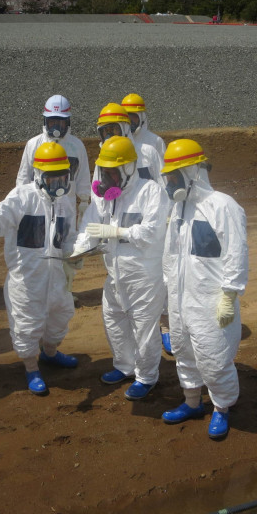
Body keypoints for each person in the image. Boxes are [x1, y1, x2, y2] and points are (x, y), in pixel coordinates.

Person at [0, 142, 78, 395]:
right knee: (26, 328)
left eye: (63, 177)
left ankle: (50, 354)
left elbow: (69, 235)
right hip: (27, 282)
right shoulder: (22, 197)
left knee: (60, 318)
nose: (58, 184)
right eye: (52, 179)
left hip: (56, 280)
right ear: (39, 176)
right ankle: (32, 368)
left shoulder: (65, 202)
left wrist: (73, 256)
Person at [159, 139, 248, 440]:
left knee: (213, 357)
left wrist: (229, 294)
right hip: (182, 300)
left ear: (193, 173)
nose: (170, 183)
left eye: (175, 176)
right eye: (168, 177)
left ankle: (221, 408)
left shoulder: (223, 206)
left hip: (211, 301)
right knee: (184, 353)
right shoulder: (179, 209)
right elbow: (170, 254)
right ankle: (193, 403)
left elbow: (237, 252)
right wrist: (167, 293)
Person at [73, 136, 169, 401]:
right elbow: (90, 227)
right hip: (114, 274)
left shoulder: (151, 192)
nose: (107, 177)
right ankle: (124, 366)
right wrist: (78, 250)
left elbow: (152, 233)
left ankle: (146, 376)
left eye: (112, 171)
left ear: (128, 168)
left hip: (144, 276)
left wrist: (116, 232)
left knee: (144, 328)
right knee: (113, 319)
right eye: (104, 171)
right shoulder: (105, 198)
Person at [120, 93, 172, 355]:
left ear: (142, 117)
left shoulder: (153, 146)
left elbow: (165, 182)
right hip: (128, 224)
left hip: (153, 220)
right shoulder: (115, 148)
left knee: (161, 273)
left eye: (134, 117)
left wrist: (168, 214)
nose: (130, 123)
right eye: (125, 118)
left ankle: (166, 326)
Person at [16, 94, 91, 228]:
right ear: (45, 121)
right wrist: (22, 203)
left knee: (66, 242)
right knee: (40, 242)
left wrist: (84, 201)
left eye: (60, 122)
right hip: (38, 205)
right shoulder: (34, 144)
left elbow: (83, 176)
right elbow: (24, 176)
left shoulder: (76, 146)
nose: (56, 127)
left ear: (68, 122)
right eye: (52, 122)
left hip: (67, 206)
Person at [96, 103, 162, 183]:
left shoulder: (148, 152)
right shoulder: (103, 159)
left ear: (125, 128)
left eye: (113, 130)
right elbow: (97, 192)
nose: (110, 137)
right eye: (105, 131)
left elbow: (162, 185)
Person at [120, 93, 167, 158]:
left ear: (142, 117)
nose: (130, 121)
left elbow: (162, 167)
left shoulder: (156, 141)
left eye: (133, 117)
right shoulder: (119, 141)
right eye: (127, 117)